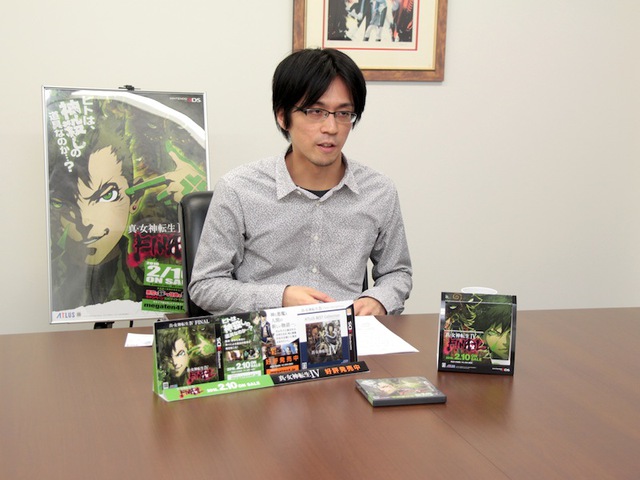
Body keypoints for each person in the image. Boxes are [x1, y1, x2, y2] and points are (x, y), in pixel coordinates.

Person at [190, 48, 412, 316]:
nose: (331, 128)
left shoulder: (378, 191)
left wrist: (379, 300)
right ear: (283, 116)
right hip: (268, 335)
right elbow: (205, 285)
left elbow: (397, 272)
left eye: (343, 114)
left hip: (348, 335)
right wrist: (279, 297)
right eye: (316, 111)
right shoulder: (239, 189)